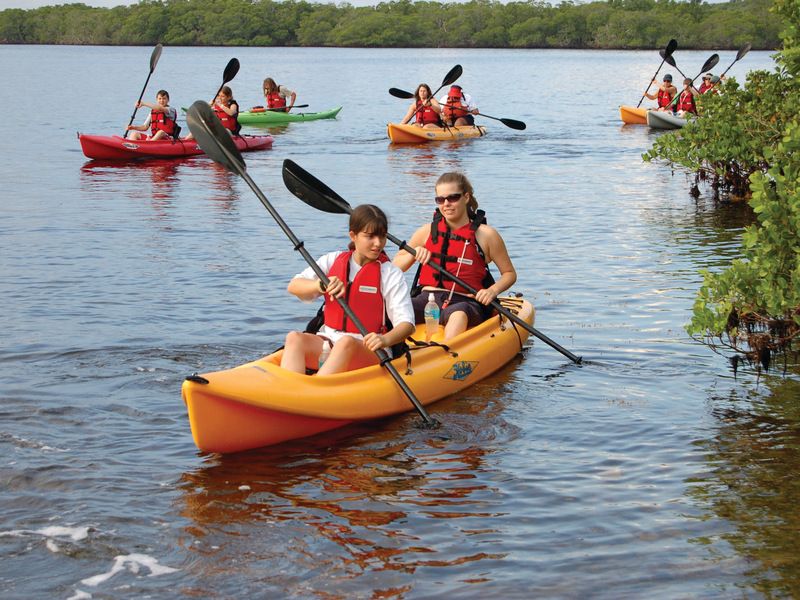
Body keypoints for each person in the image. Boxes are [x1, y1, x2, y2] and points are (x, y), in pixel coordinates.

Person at [280, 204, 415, 376]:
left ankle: (315, 392)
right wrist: (320, 285)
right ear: (353, 235)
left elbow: (407, 325)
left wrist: (384, 339)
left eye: (382, 236)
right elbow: (294, 286)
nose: (378, 243)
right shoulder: (332, 260)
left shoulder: (389, 273)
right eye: (370, 236)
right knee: (294, 338)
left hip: (370, 349)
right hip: (329, 341)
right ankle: (290, 389)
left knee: (346, 343)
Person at [393, 172, 517, 341]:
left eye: (453, 198)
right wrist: (413, 255)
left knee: (458, 314)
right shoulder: (427, 231)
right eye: (440, 199)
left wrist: (491, 291)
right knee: (394, 308)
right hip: (427, 299)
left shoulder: (486, 235)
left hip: (465, 303)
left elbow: (509, 273)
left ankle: (446, 355)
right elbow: (395, 267)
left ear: (466, 197)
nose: (446, 204)